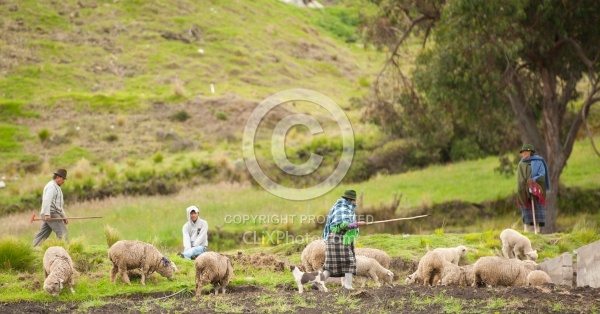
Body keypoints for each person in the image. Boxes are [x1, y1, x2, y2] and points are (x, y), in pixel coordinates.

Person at [320, 189, 366, 290]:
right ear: (350, 200)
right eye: (354, 200)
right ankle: (348, 286)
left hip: (335, 239)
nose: (355, 202)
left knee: (330, 266)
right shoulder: (342, 208)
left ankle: (318, 283)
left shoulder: (340, 207)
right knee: (349, 261)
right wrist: (357, 224)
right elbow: (343, 225)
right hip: (338, 239)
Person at [516, 144, 550, 233]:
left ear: (530, 152)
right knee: (526, 209)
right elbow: (520, 178)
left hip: (537, 189)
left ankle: (537, 230)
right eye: (522, 153)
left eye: (525, 152)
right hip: (525, 189)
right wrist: (525, 185)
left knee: (537, 209)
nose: (523, 154)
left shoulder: (539, 162)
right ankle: (526, 231)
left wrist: (533, 182)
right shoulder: (521, 164)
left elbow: (542, 174)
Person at [32, 169, 69, 246]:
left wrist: (64, 217)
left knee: (42, 234)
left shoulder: (56, 187)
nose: (63, 181)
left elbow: (59, 205)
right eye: (63, 179)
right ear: (58, 177)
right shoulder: (51, 186)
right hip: (51, 213)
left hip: (50, 213)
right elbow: (47, 200)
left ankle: (33, 249)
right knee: (62, 233)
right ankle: (64, 250)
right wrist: (47, 214)